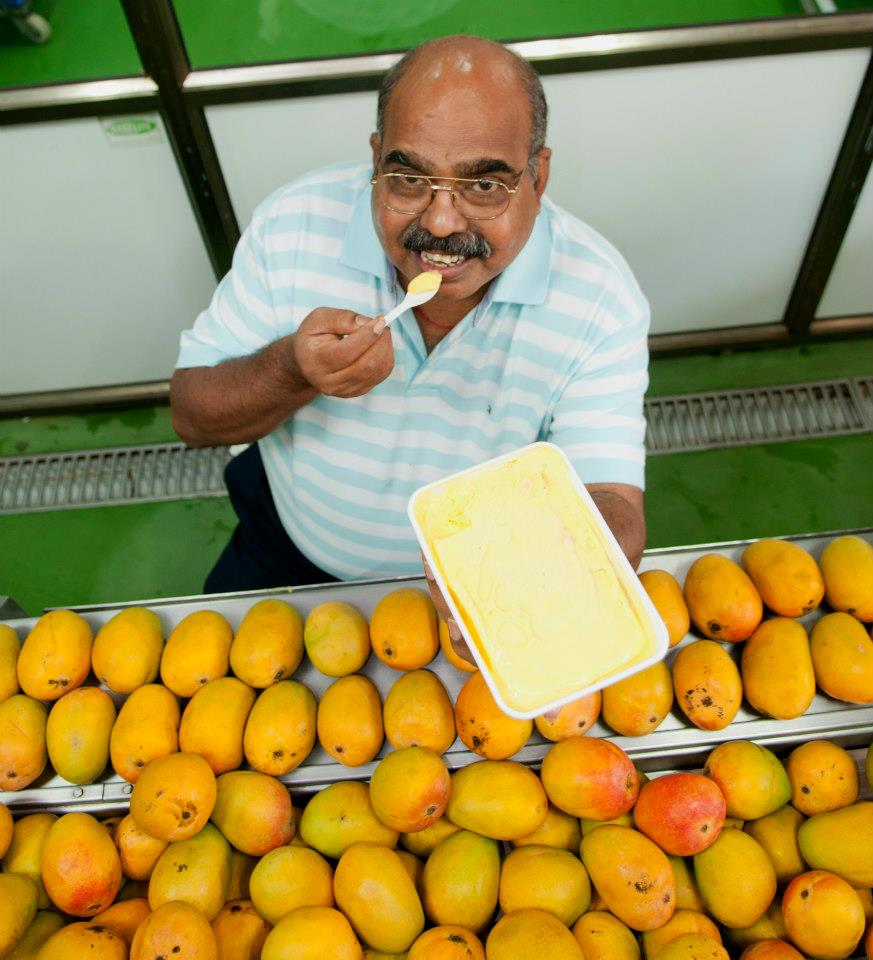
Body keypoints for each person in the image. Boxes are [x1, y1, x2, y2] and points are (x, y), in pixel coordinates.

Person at [171, 35, 651, 632]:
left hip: (485, 586)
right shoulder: (293, 227)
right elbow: (192, 416)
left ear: (539, 175)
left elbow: (613, 502)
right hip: (284, 552)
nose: (441, 222)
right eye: (408, 178)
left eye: (484, 185)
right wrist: (292, 370)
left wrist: (523, 575)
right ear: (376, 160)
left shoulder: (599, 296)